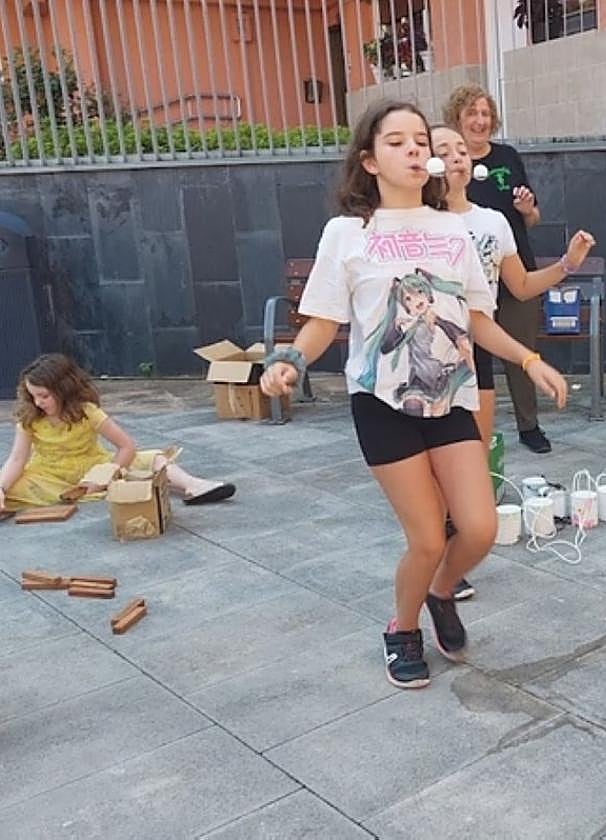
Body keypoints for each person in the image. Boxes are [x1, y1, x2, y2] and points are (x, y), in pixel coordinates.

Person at [258, 100, 568, 690]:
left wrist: (530, 360)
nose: (413, 150)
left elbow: (477, 318)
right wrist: (290, 360)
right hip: (382, 404)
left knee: (478, 528)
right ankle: (402, 629)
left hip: (451, 397)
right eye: (396, 142)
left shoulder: (453, 230)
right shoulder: (348, 233)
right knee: (426, 538)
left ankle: (440, 592)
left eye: (420, 141)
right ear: (370, 160)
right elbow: (323, 319)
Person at [431, 123, 594, 602]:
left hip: (476, 350)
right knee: (435, 468)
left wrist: (567, 264)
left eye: (462, 150)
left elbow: (519, 287)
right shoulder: (418, 223)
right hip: (429, 356)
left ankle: (450, 560)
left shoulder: (493, 222)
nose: (457, 157)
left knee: (471, 461)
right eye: (444, 150)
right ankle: (438, 561)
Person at [444, 84, 552, 454]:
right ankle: (467, 430)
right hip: (464, 281)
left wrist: (527, 210)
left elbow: (533, 218)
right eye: (472, 113)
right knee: (472, 358)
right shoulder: (447, 168)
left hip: (512, 270)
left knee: (521, 350)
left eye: (486, 114)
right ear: (457, 118)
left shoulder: (507, 157)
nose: (480, 121)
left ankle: (529, 425)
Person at [0, 353, 234, 510]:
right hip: (47, 476)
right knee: (8, 487)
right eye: (33, 396)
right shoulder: (30, 416)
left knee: (153, 458)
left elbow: (126, 446)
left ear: (64, 390)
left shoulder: (87, 411)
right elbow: (17, 459)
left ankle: (193, 485)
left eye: (44, 396)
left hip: (92, 468)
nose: (38, 402)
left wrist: (105, 476)